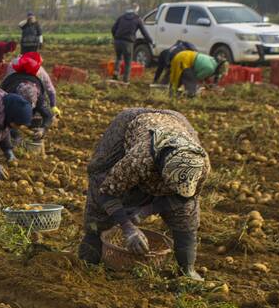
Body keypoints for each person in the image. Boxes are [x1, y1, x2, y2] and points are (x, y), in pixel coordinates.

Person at [77, 108, 209, 280]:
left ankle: (187, 269)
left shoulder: (201, 164)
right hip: (130, 127)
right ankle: (90, 253)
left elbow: (185, 199)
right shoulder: (139, 160)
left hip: (177, 122)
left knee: (185, 213)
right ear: (161, 174)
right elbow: (107, 192)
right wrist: (128, 227)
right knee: (101, 177)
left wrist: (147, 210)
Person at [0, 52, 55, 138]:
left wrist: (43, 129)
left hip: (32, 110)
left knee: (37, 121)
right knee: (9, 131)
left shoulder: (38, 97)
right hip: (10, 109)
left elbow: (48, 115)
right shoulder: (7, 95)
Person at [111, 5, 152, 82]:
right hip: (128, 42)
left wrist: (115, 37)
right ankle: (125, 80)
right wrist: (151, 41)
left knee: (118, 58)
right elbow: (144, 32)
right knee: (128, 62)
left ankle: (115, 75)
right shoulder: (137, 19)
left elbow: (113, 29)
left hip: (117, 41)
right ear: (136, 11)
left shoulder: (121, 17)